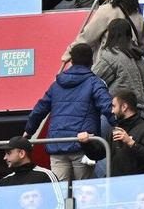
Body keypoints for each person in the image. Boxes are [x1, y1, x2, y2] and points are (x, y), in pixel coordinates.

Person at [25, 42, 113, 181]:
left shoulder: (56, 84)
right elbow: (108, 108)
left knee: (61, 192)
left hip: (57, 143)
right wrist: (122, 123)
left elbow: (40, 109)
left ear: (71, 61)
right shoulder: (95, 83)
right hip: (83, 144)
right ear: (92, 61)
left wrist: (29, 131)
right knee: (83, 192)